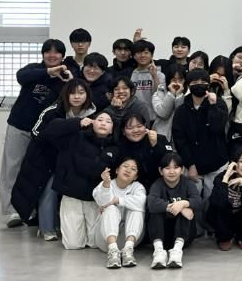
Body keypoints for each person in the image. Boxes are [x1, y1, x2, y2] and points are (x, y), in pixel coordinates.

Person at [11, 79, 96, 240]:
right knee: (49, 189)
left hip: (72, 159)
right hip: (45, 159)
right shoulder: (53, 110)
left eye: (81, 92)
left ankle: (61, 225)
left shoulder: (92, 112)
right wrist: (74, 124)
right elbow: (37, 133)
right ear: (66, 94)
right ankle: (46, 228)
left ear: (87, 94)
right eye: (72, 93)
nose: (76, 96)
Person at [1, 38, 68, 227]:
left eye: (56, 52)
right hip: (19, 125)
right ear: (43, 54)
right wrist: (48, 72)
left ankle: (31, 210)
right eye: (48, 52)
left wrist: (66, 78)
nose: (52, 55)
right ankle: (12, 211)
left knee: (36, 170)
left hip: (43, 133)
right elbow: (21, 76)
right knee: (12, 167)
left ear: (63, 56)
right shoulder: (33, 69)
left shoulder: (64, 77)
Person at [42, 112, 119, 249]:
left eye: (108, 121)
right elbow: (49, 132)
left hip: (94, 200)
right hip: (72, 195)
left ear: (112, 129)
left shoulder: (116, 148)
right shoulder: (76, 136)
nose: (103, 123)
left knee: (95, 243)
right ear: (92, 123)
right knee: (73, 244)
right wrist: (77, 123)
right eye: (100, 119)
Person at [172, 69, 228, 213]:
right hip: (192, 165)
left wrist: (213, 105)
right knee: (192, 202)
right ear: (188, 85)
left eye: (203, 82)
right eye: (195, 82)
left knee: (213, 202)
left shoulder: (219, 104)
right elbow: (180, 140)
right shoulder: (181, 110)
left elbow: (217, 128)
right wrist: (190, 164)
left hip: (216, 163)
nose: (199, 84)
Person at [147, 153, 202, 269]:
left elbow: (198, 202)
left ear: (182, 170)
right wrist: (175, 207)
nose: (172, 172)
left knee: (186, 209)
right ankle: (159, 251)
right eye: (167, 168)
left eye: (176, 167)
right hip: (162, 236)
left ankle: (177, 251)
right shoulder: (157, 184)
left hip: (185, 236)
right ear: (161, 171)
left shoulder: (188, 184)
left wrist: (183, 203)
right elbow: (151, 203)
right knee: (156, 212)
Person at [92, 158, 146, 268]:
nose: (128, 170)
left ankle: (128, 250)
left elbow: (142, 202)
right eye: (125, 166)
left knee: (137, 209)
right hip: (105, 240)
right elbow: (101, 201)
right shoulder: (107, 184)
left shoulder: (138, 187)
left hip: (130, 240)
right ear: (117, 170)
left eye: (133, 169)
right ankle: (113, 251)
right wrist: (106, 185)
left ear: (135, 177)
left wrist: (118, 200)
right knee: (110, 208)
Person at [208, 147, 242, 251]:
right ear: (234, 163)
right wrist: (226, 178)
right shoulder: (221, 177)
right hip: (225, 219)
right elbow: (217, 202)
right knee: (218, 206)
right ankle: (225, 238)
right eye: (241, 161)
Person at [117, 113, 172, 191]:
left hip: (162, 186)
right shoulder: (120, 146)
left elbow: (170, 163)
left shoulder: (160, 139)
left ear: (145, 126)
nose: (136, 130)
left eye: (139, 126)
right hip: (132, 190)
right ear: (123, 131)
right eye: (130, 128)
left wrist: (155, 146)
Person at [130, 39, 165, 123]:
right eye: (139, 53)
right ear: (134, 56)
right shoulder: (130, 74)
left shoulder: (159, 74)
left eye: (146, 53)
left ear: (152, 55)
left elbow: (161, 95)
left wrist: (154, 76)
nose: (142, 55)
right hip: (135, 118)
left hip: (155, 118)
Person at [152, 64, 187, 143]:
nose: (177, 83)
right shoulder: (159, 92)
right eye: (174, 79)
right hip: (161, 137)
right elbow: (164, 114)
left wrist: (179, 96)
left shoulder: (189, 94)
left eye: (180, 80)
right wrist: (171, 94)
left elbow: (181, 116)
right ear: (168, 80)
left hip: (181, 138)